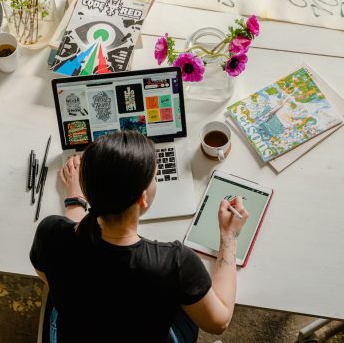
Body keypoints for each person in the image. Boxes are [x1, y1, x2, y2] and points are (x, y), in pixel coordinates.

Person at [30, 131, 249, 343]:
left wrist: (74, 200)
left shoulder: (50, 233)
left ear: (88, 191)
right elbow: (219, 322)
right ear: (142, 199)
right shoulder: (174, 263)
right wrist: (229, 237)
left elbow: (46, 273)